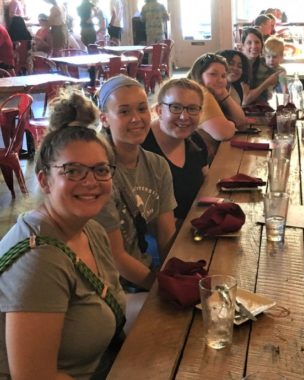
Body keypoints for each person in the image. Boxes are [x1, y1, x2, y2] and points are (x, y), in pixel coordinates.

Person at [0, 89, 126, 378]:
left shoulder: (90, 230)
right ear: (44, 180)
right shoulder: (38, 261)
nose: (90, 182)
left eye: (100, 169)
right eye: (72, 171)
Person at [94, 75, 177, 291]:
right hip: (111, 285)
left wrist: (174, 275)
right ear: (104, 118)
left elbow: (166, 233)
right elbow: (116, 258)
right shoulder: (98, 174)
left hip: (146, 271)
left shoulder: (157, 165)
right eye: (124, 111)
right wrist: (161, 288)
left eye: (141, 109)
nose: (136, 118)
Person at [142, 78, 209, 223]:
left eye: (192, 108)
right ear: (159, 110)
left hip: (195, 224)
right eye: (176, 107)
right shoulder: (142, 147)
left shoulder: (196, 140)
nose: (184, 117)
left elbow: (206, 184)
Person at [240, 28, 279, 106]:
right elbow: (245, 100)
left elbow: (269, 95)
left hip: (259, 108)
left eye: (257, 42)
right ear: (243, 45)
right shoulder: (239, 66)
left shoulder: (265, 63)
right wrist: (266, 83)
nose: (254, 46)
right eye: (249, 43)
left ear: (262, 45)